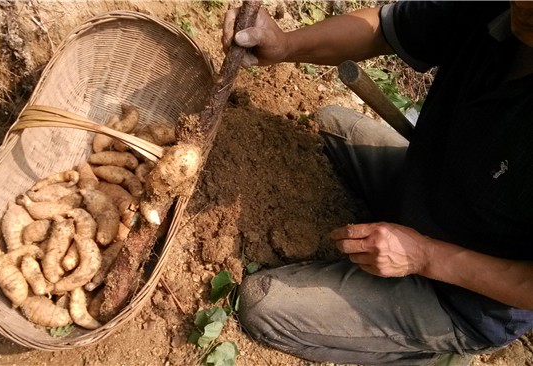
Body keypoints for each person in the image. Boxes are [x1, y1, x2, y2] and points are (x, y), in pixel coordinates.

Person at [222, 2, 533, 365]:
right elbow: (384, 28)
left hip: (463, 297)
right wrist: (285, 44)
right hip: (427, 185)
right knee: (329, 123)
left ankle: (428, 353)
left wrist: (423, 255)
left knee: (260, 305)